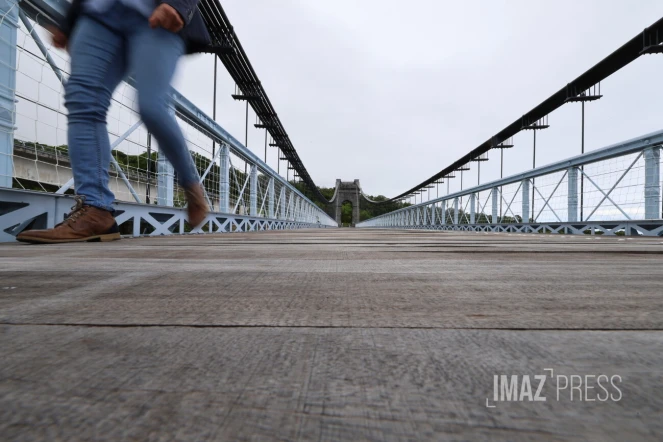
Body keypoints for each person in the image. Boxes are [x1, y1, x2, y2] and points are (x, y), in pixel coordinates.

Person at [17, 0, 211, 244]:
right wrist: (68, 23)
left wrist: (178, 4)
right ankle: (95, 210)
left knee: (151, 107)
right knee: (83, 101)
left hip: (153, 12)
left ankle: (191, 184)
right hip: (99, 15)